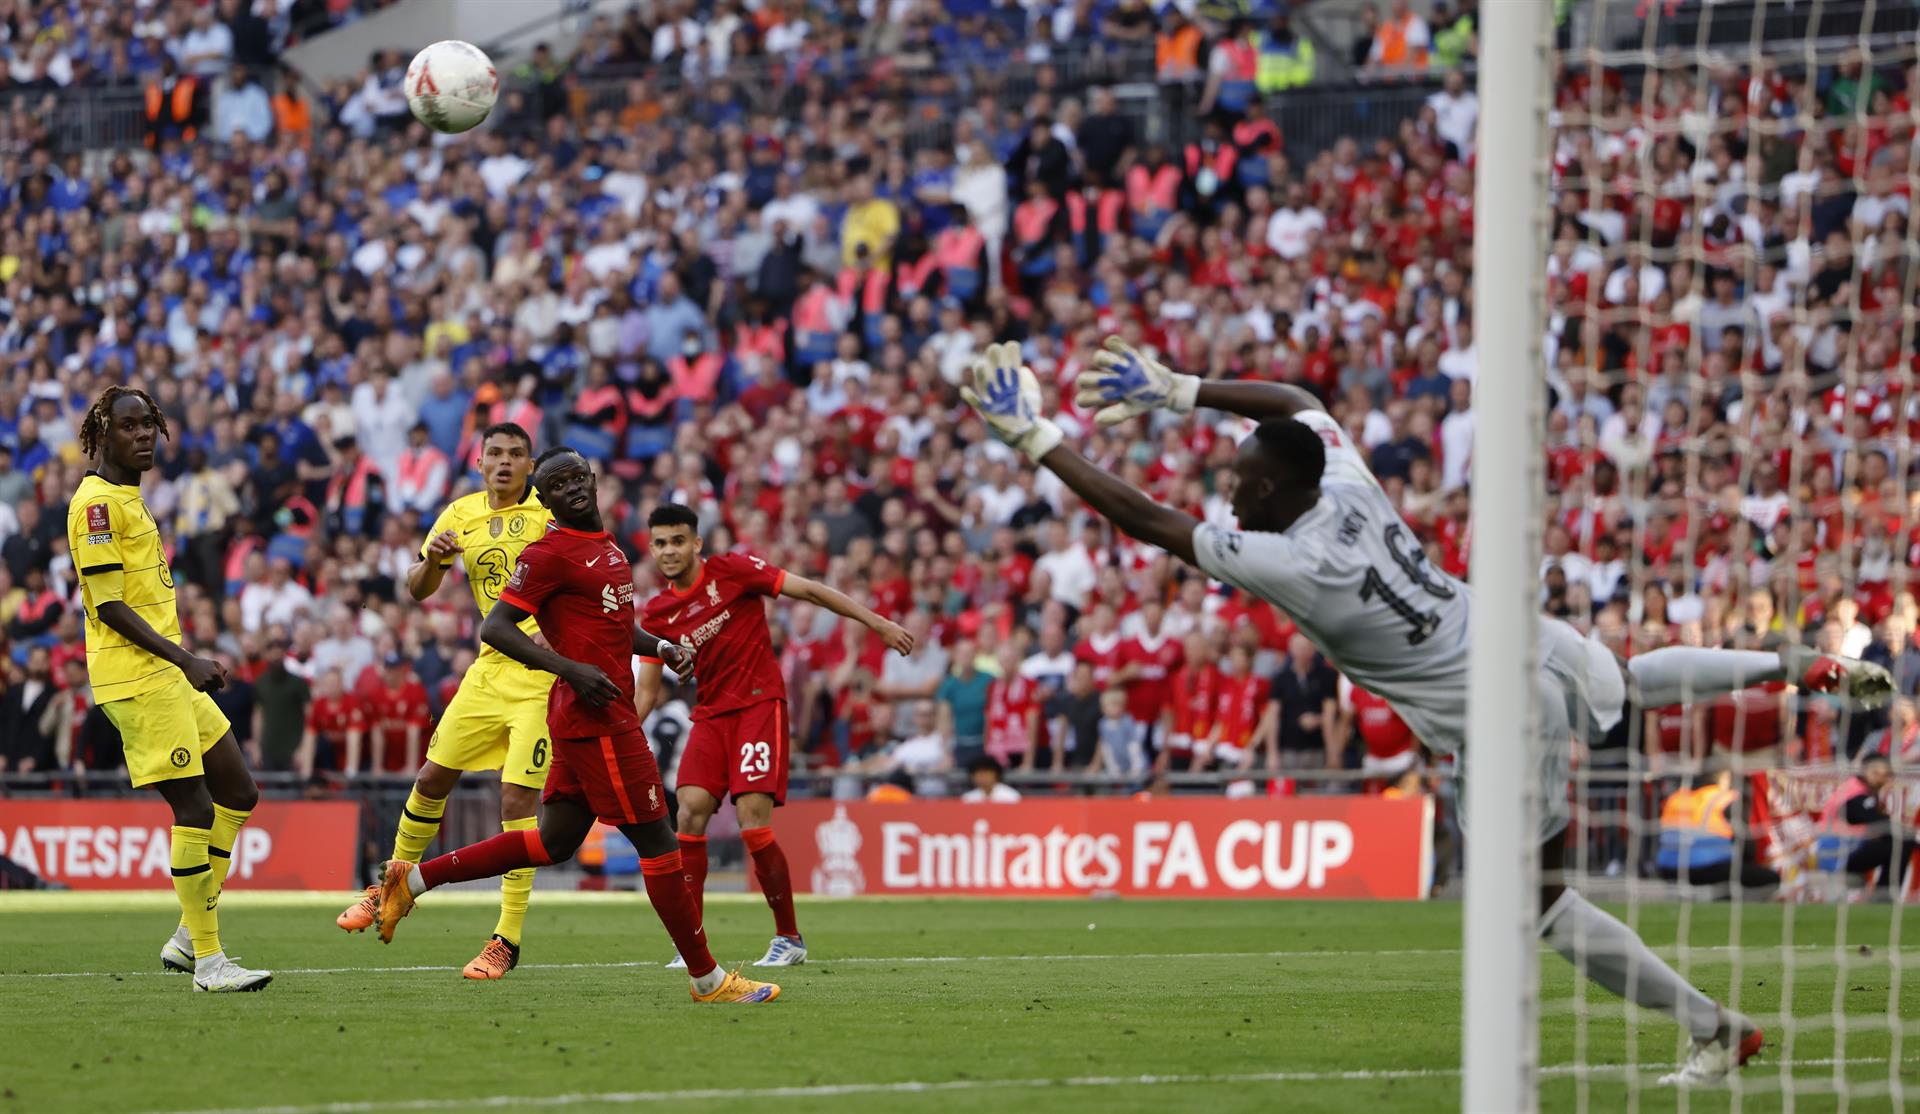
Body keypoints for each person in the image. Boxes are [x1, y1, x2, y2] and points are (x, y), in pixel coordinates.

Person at [965, 337, 1896, 1085]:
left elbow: (1149, 522)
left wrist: (1036, 439)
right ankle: (1795, 664)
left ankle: (1716, 1029)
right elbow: (1295, 403)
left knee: (1532, 908)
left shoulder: (1292, 562)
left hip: (1498, 720)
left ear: (1279, 493)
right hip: (1512, 634)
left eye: (1244, 482)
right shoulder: (1345, 482)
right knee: (1628, 675)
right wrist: (1183, 389)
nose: (1231, 493)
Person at [368, 449, 778, 1005]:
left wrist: (659, 645)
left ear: (593, 480)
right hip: (599, 716)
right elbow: (496, 626)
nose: (570, 489)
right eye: (555, 484)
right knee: (659, 843)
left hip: (585, 712)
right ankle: (707, 979)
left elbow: (611, 626)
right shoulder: (551, 553)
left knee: (555, 840)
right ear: (546, 498)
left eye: (576, 478)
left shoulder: (605, 547)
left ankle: (411, 881)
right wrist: (568, 669)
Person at [639, 501, 913, 969]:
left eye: (678, 540)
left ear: (697, 543)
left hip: (759, 705)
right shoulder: (657, 614)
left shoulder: (734, 571)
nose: (669, 550)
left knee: (753, 822)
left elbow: (809, 591)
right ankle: (692, 946)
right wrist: (615, 733)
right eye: (661, 543)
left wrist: (877, 623)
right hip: (709, 716)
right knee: (688, 813)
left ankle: (789, 937)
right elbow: (645, 692)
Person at [336, 423, 560, 981]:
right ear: (479, 462)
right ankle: (393, 885)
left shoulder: (550, 516)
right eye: (495, 455)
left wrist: (555, 640)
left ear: (530, 465)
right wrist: (433, 562)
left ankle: (506, 938)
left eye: (515, 455)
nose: (504, 463)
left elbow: (582, 582)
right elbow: (415, 588)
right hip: (488, 669)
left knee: (516, 801)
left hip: (540, 676)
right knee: (432, 777)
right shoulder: (459, 514)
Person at [66, 387, 268, 991]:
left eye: (150, 424)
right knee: (196, 809)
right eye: (130, 426)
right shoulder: (96, 505)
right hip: (138, 676)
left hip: (166, 674)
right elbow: (107, 606)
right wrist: (185, 658)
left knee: (239, 790)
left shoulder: (131, 497)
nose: (144, 435)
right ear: (103, 433)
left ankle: (187, 934)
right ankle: (209, 961)